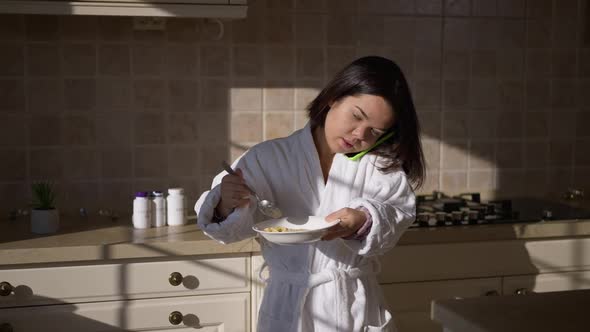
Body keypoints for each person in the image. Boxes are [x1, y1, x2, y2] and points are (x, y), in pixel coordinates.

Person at [195, 55, 425, 332]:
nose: (359, 134)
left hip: (352, 306)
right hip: (287, 305)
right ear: (333, 98)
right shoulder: (267, 157)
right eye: (356, 116)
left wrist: (363, 220)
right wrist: (225, 203)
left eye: (375, 131)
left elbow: (397, 216)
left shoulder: (381, 167)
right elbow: (227, 231)